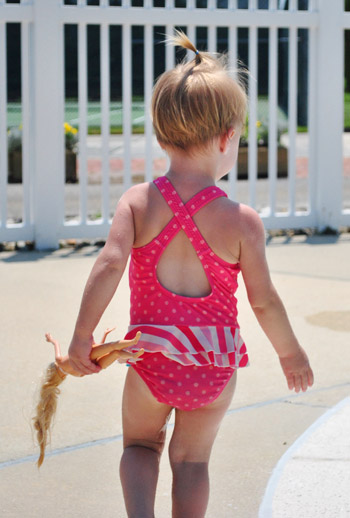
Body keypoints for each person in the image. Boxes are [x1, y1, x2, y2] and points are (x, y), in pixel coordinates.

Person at [68, 31, 314, 518]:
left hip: (151, 356)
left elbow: (110, 263)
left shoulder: (137, 202)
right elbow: (264, 300)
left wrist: (82, 334)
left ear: (161, 135)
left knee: (140, 447)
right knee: (192, 463)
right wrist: (291, 354)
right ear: (227, 138)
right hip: (212, 366)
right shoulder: (241, 221)